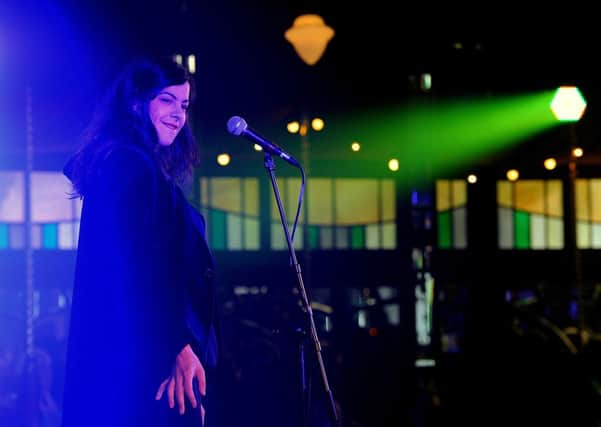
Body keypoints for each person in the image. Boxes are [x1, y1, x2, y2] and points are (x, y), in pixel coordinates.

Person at [61, 56, 218, 427]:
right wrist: (177, 345)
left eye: (184, 105)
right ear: (136, 103)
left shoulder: (134, 164)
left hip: (141, 356)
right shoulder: (129, 165)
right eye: (166, 100)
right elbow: (134, 269)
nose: (179, 115)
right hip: (143, 361)